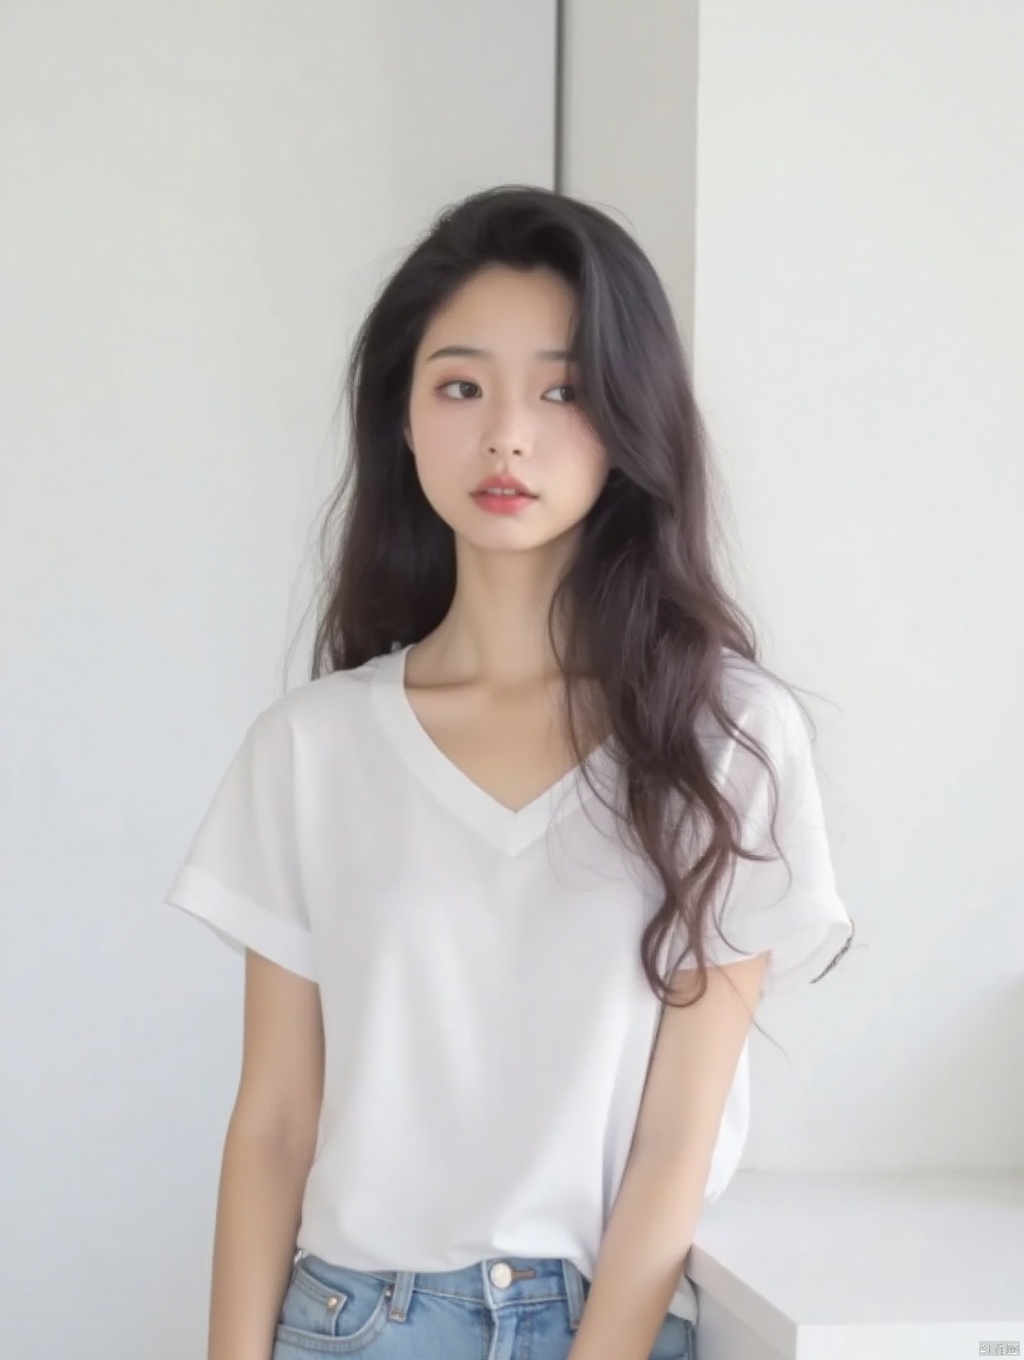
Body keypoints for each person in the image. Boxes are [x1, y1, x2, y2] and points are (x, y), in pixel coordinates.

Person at [165, 184, 855, 1360]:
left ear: (628, 418)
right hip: (349, 1323)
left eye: (562, 389)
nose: (507, 437)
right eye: (460, 386)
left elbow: (674, 1140)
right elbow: (274, 1124)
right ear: (402, 416)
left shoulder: (723, 739)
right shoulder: (312, 748)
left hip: (605, 1324)